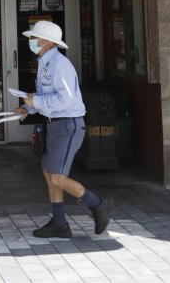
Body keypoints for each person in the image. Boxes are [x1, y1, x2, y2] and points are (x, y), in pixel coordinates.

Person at [14, 20, 114, 238]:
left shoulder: (60, 64)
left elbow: (65, 100)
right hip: (55, 124)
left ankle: (98, 204)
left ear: (48, 41)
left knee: (58, 177)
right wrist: (27, 108)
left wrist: (35, 104)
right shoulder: (45, 63)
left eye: (35, 37)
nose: (31, 41)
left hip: (68, 124)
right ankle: (59, 223)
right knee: (49, 173)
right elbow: (44, 97)